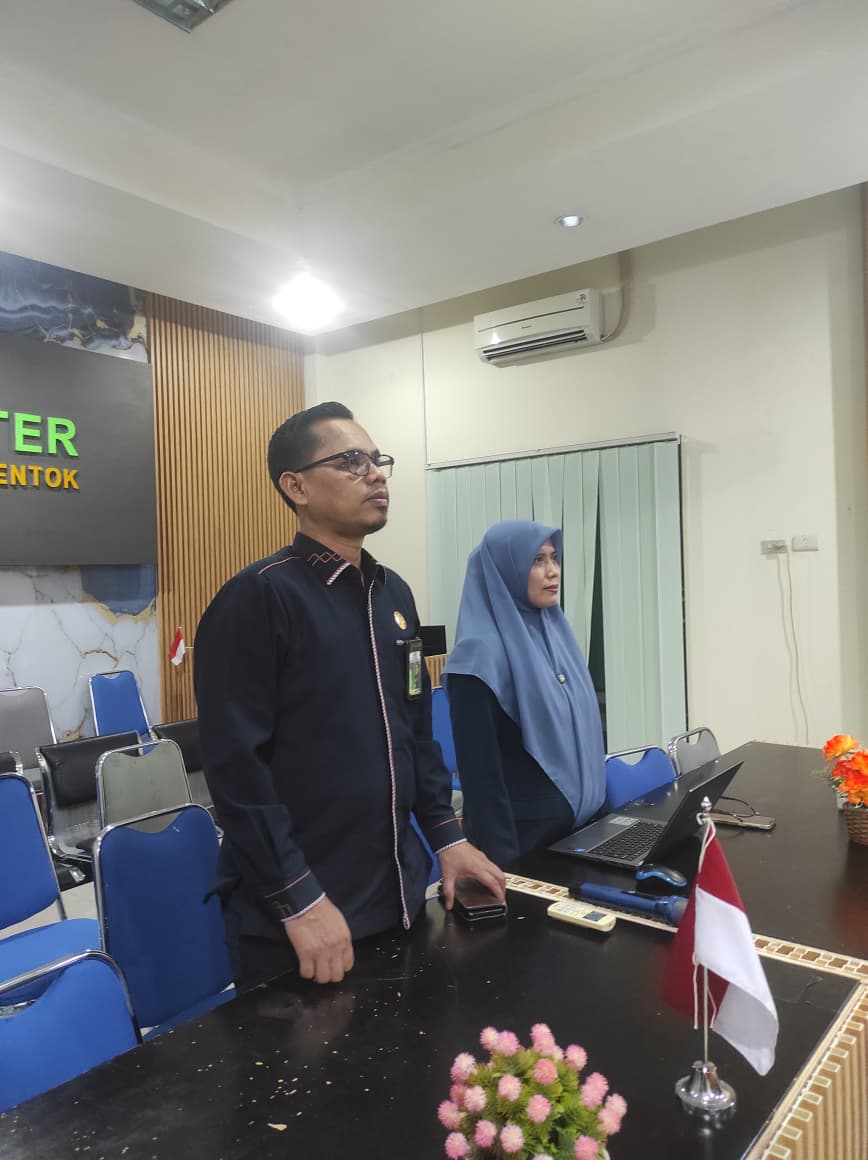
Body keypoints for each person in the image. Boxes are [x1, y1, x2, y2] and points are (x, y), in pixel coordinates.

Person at [194, 401, 504, 990]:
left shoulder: (394, 595)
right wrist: (299, 899)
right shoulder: (259, 598)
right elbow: (236, 772)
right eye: (352, 461)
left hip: (398, 894)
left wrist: (448, 836)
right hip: (303, 919)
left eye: (378, 460)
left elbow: (416, 732)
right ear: (296, 487)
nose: (376, 474)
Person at [443, 519, 606, 866]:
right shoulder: (477, 658)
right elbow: (482, 784)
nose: (553, 571)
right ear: (506, 570)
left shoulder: (557, 634)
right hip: (527, 849)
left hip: (579, 835)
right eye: (537, 560)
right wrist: (504, 872)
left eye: (554, 558)